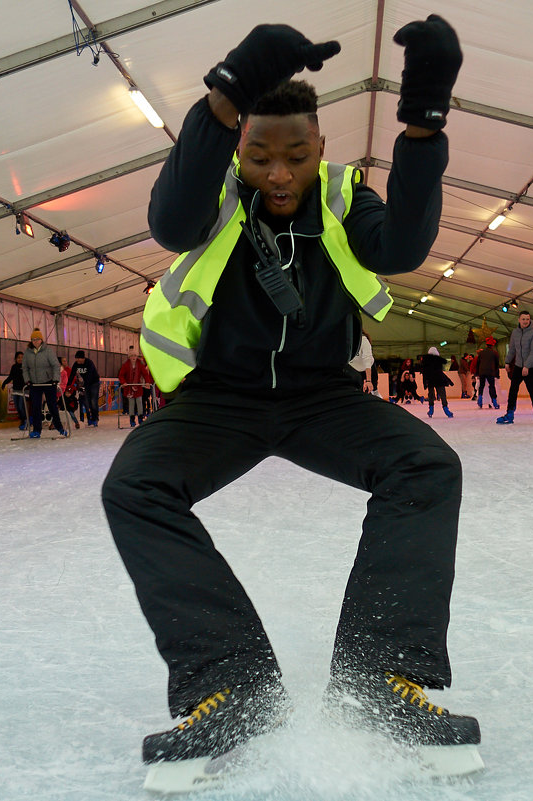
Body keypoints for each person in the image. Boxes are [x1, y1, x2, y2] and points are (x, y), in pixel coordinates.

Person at [99, 18, 479, 791]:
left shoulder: (344, 198)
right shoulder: (215, 196)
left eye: (297, 156)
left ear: (321, 149)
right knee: (134, 484)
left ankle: (381, 676)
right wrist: (223, 96)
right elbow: (168, 222)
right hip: (220, 399)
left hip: (321, 398)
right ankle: (228, 679)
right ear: (240, 148)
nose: (279, 173)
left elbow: (401, 246)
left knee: (426, 466)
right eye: (260, 154)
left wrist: (424, 118)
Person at [497, 311, 533, 424]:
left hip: (532, 367)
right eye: (523, 319)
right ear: (519, 320)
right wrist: (507, 362)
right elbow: (512, 349)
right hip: (518, 366)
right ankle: (509, 413)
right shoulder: (515, 332)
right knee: (513, 390)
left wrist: (527, 366)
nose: (525, 321)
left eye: (527, 319)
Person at [21, 329, 67, 439]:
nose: (35, 341)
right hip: (34, 383)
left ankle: (59, 427)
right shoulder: (28, 352)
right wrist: (27, 380)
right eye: (33, 339)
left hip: (48, 382)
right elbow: (25, 368)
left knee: (52, 406)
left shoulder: (48, 351)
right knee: (36, 407)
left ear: (41, 340)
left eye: (37, 339)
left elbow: (56, 365)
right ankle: (37, 430)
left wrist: (56, 379)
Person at [118, 346, 150, 427]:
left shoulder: (140, 364)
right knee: (131, 404)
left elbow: (145, 374)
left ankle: (140, 418)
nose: (134, 357)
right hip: (129, 388)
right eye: (132, 356)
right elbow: (121, 375)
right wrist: (124, 382)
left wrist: (147, 382)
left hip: (138, 388)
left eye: (135, 356)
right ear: (129, 357)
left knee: (139, 403)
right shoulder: (125, 365)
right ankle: (132, 419)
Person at [421, 346, 454, 418]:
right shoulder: (439, 361)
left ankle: (431, 410)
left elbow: (424, 373)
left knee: (431, 395)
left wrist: (424, 383)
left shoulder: (425, 362)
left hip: (430, 380)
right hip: (439, 380)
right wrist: (448, 380)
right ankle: (446, 409)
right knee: (442, 395)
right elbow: (440, 372)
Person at [72, 350, 101, 427]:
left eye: (79, 358)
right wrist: (69, 385)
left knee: (93, 401)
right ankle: (92, 418)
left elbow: (89, 376)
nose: (77, 360)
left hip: (94, 383)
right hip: (86, 384)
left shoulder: (89, 363)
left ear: (83, 358)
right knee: (88, 402)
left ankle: (95, 418)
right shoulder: (76, 365)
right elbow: (72, 375)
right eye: (76, 358)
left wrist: (84, 386)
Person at [0, 350, 28, 430]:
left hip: (23, 390)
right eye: (18, 358)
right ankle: (23, 420)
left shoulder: (26, 367)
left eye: (22, 358)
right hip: (16, 390)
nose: (20, 359)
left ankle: (25, 421)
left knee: (21, 406)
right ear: (16, 359)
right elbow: (11, 377)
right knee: (17, 406)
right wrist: (4, 383)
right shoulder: (14, 367)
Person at [348, 330, 379, 396]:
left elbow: (367, 360)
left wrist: (368, 381)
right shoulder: (344, 340)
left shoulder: (363, 341)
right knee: (357, 390)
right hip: (355, 369)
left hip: (369, 368)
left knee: (374, 389)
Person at [473, 339, 500, 409]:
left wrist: (477, 373)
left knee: (481, 386)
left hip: (482, 371)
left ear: (486, 345)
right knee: (491, 386)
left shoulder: (481, 353)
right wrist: (496, 373)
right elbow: (497, 364)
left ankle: (480, 399)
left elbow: (478, 364)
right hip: (491, 372)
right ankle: (494, 401)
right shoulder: (495, 353)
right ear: (493, 345)